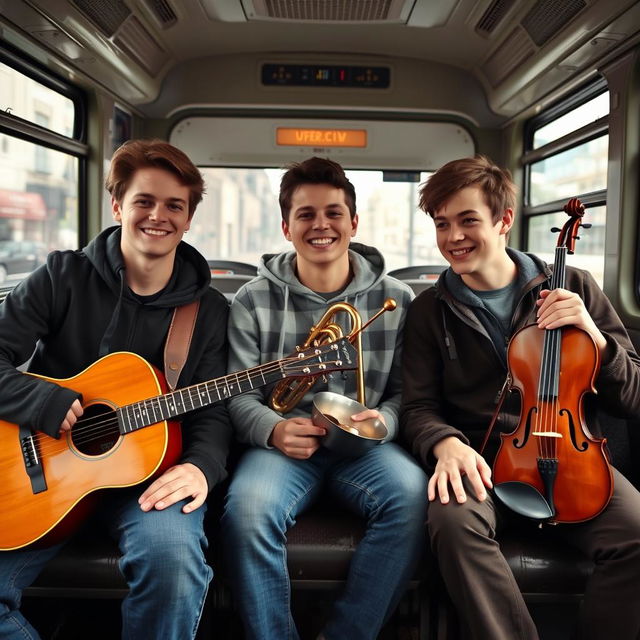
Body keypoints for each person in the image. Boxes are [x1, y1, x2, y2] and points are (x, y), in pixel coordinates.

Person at [401, 154, 640, 640]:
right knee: (451, 522)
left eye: (468, 220)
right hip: (482, 465)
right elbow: (417, 406)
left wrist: (595, 337)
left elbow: (632, 396)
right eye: (442, 224)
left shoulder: (573, 286)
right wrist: (445, 443)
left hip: (574, 459)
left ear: (504, 220)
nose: (453, 238)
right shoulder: (429, 309)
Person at [0, 139, 231, 639]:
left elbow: (213, 411)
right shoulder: (62, 276)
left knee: (175, 567)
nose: (158, 216)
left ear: (189, 218)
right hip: (40, 471)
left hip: (149, 477)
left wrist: (201, 466)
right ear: (117, 204)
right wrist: (42, 401)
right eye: (144, 200)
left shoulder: (208, 310)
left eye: (175, 205)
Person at [221, 156, 428, 640]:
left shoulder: (397, 298)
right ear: (286, 227)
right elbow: (238, 395)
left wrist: (382, 424)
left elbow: (405, 394)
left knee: (414, 499)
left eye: (334, 213)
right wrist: (273, 429)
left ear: (354, 222)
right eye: (306, 214)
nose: (321, 225)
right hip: (284, 449)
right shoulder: (251, 299)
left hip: (368, 450)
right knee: (247, 510)